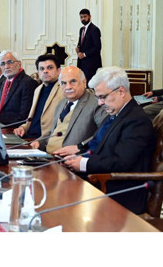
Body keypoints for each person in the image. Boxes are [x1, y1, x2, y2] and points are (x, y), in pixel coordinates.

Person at [61, 67, 155, 215]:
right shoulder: (115, 114)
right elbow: (97, 147)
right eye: (98, 97)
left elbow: (121, 162)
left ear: (121, 91)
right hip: (99, 181)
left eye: (103, 97)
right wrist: (77, 157)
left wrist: (84, 163)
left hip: (120, 192)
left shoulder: (137, 121)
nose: (99, 103)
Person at [36, 66, 106, 154]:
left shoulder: (96, 103)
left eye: (73, 81)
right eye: (64, 83)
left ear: (84, 82)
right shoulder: (61, 103)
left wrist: (80, 148)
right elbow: (53, 132)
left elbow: (105, 133)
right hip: (48, 156)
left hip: (71, 160)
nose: (68, 87)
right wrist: (38, 142)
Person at [13, 54, 64, 139]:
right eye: (42, 69)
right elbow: (33, 119)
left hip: (44, 140)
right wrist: (23, 128)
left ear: (59, 71)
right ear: (38, 73)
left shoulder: (63, 90)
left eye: (50, 68)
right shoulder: (38, 89)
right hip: (28, 137)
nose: (45, 71)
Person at [0, 50, 39, 127]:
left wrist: (2, 126)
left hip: (15, 129)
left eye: (10, 62)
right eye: (3, 64)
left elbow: (24, 116)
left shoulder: (28, 83)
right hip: (2, 126)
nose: (6, 66)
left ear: (19, 64)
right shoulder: (4, 82)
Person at [75, 8, 102, 82]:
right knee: (82, 84)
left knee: (90, 86)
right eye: (81, 17)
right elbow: (80, 44)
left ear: (89, 16)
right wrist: (78, 49)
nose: (83, 19)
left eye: (85, 16)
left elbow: (97, 47)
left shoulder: (94, 29)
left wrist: (84, 54)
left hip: (92, 63)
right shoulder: (81, 30)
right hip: (82, 63)